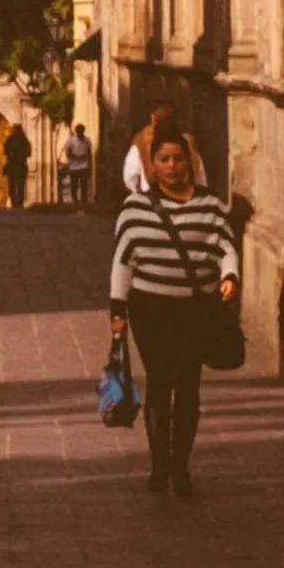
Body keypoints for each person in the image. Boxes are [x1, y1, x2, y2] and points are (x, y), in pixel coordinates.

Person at [111, 110, 239, 500]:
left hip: (194, 310)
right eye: (164, 159)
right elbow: (122, 262)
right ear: (152, 165)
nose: (172, 166)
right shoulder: (134, 209)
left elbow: (225, 246)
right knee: (159, 381)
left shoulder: (209, 206)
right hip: (150, 311)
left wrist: (230, 276)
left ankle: (180, 464)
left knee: (187, 387)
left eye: (178, 159)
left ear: (189, 163)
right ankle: (159, 463)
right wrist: (117, 311)